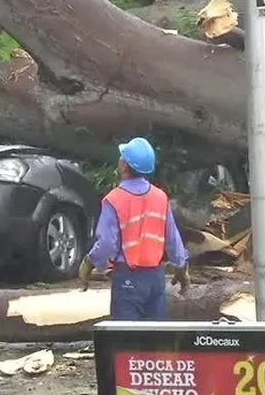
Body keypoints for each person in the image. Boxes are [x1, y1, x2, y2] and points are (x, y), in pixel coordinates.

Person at [78, 137, 191, 320]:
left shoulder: (114, 200)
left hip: (128, 278)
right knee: (155, 335)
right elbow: (172, 238)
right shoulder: (160, 197)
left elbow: (107, 243)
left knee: (126, 335)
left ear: (124, 166)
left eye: (122, 156)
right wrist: (181, 267)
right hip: (155, 278)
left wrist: (89, 263)